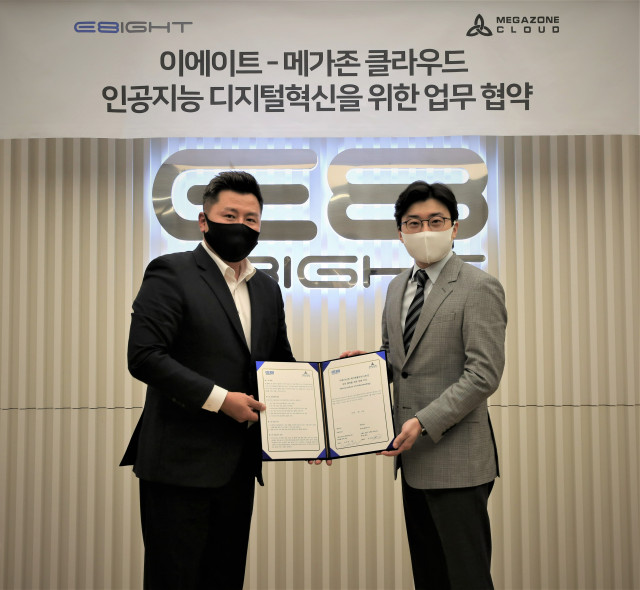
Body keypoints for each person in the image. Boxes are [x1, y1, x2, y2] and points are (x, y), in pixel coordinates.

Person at [120, 170, 295, 589]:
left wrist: (322, 415)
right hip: (178, 466)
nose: (241, 226)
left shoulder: (267, 288)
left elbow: (280, 367)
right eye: (229, 216)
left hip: (238, 468)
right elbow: (144, 357)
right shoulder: (171, 272)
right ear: (204, 221)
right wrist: (220, 400)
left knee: (225, 578)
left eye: (251, 219)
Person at [344, 181, 507, 589]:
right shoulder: (397, 286)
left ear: (455, 227)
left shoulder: (478, 286)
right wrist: (362, 369)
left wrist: (422, 421)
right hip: (412, 458)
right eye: (413, 223)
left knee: (465, 578)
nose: (425, 231)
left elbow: (483, 374)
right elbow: (397, 360)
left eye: (436, 221)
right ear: (400, 232)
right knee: (429, 575)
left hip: (457, 459)